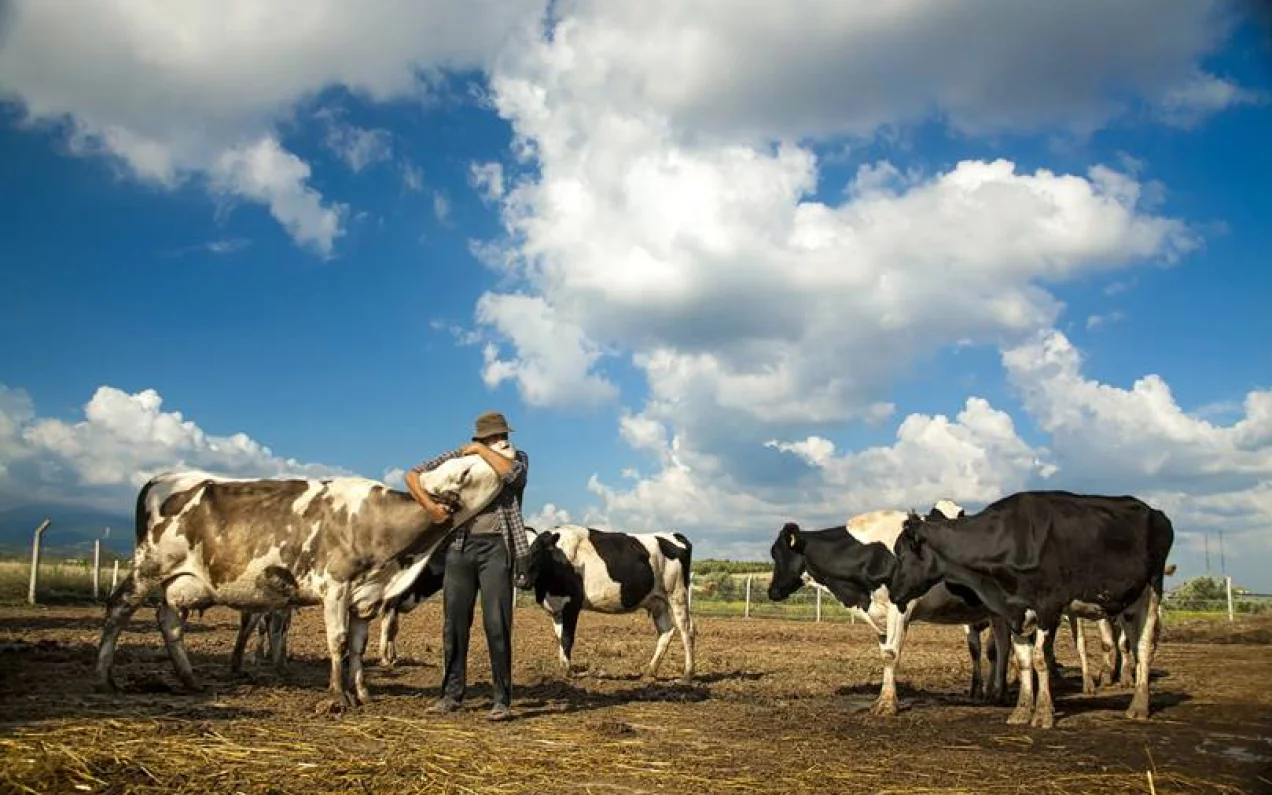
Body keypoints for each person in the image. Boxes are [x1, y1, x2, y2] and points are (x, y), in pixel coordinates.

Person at [403, 410, 530, 722]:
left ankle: (501, 700)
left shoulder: (516, 458)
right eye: (494, 436)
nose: (502, 440)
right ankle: (451, 695)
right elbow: (412, 475)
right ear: (481, 437)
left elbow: (514, 477)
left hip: (497, 547)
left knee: (497, 624)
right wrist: (431, 508)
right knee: (454, 624)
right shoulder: (458, 459)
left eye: (503, 435)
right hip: (459, 548)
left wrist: (483, 452)